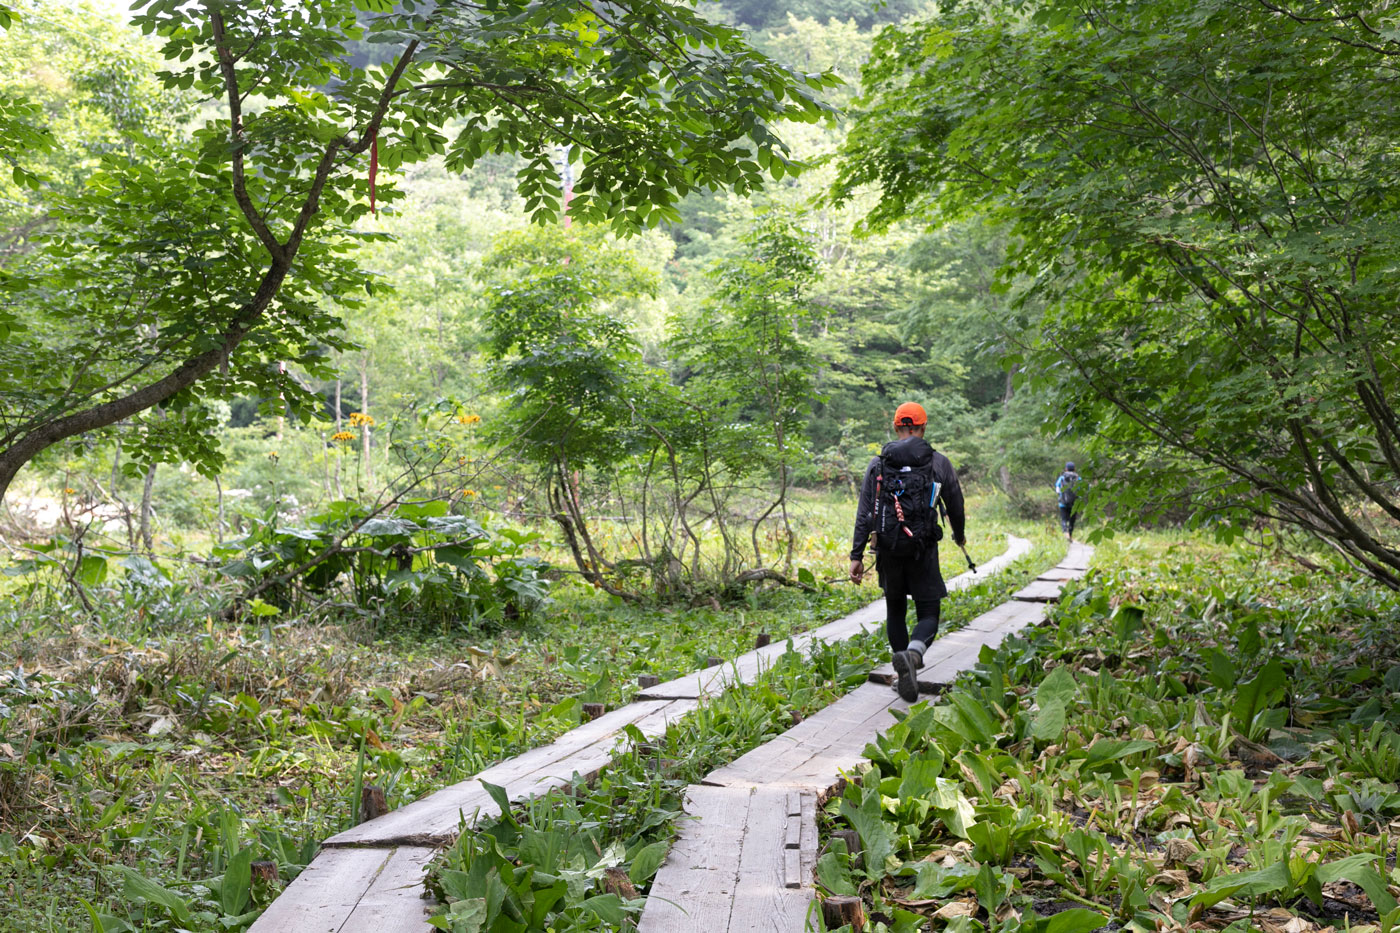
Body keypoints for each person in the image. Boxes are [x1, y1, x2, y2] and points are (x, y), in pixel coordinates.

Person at [848, 402, 966, 702]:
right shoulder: (938, 462)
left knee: (896, 608)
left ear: (895, 426)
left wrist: (856, 556)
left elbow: (865, 513)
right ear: (923, 428)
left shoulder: (879, 465)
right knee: (929, 611)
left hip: (888, 548)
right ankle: (914, 655)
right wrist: (959, 535)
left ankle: (903, 674)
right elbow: (955, 503)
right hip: (922, 548)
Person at [1055, 461, 1081, 541]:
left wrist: (1062, 495)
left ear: (1066, 468)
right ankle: (1070, 534)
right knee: (1072, 520)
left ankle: (1065, 531)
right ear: (1074, 469)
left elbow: (1057, 490)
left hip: (1063, 503)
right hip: (1074, 503)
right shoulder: (1078, 478)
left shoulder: (1062, 478)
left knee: (1063, 518)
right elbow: (1082, 490)